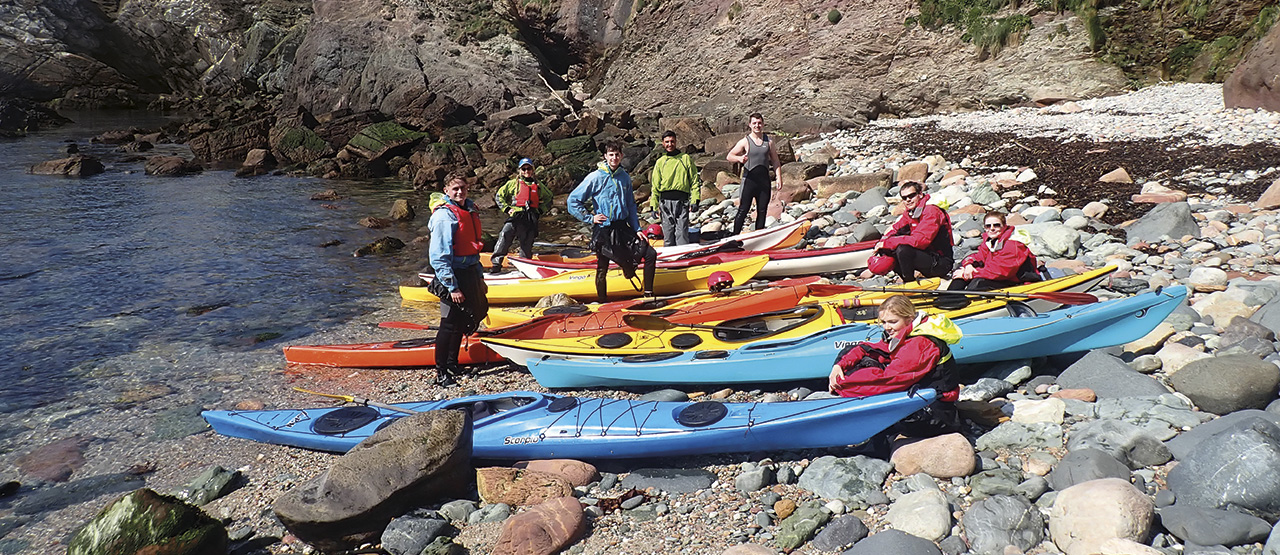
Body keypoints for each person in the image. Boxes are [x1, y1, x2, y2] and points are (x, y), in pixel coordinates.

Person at [828, 295, 962, 437]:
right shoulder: (908, 331)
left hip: (934, 414)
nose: (887, 327)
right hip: (922, 398)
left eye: (892, 322)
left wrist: (842, 384)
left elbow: (888, 380)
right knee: (860, 356)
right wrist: (839, 366)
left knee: (866, 383)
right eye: (884, 322)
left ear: (909, 319)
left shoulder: (920, 344)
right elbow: (869, 348)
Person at [568, 139, 657, 302]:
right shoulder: (595, 177)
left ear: (621, 156)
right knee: (602, 267)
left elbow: (631, 205)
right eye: (611, 155)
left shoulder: (625, 177)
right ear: (605, 156)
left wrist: (637, 228)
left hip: (623, 227)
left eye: (617, 155)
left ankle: (649, 295)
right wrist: (589, 218)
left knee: (650, 253)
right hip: (604, 229)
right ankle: (602, 301)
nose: (614, 158)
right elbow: (572, 201)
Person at [428, 175, 489, 387]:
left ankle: (453, 364)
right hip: (452, 274)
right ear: (446, 190)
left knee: (464, 320)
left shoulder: (469, 210)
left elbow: (474, 253)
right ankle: (441, 372)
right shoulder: (445, 217)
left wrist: (479, 279)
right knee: (449, 324)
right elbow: (438, 256)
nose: (459, 192)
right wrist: (451, 286)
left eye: (463, 188)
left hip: (469, 271)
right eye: (455, 189)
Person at [868, 180, 955, 282]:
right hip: (927, 256)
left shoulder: (931, 211)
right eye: (904, 198)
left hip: (941, 262)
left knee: (902, 249)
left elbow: (920, 241)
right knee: (887, 248)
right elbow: (895, 228)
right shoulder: (911, 213)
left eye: (911, 196)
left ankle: (909, 282)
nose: (908, 200)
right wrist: (882, 243)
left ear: (920, 195)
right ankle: (907, 278)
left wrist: (887, 243)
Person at [948, 211, 1040, 291]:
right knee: (963, 267)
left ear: (1004, 226)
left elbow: (999, 272)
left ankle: (963, 304)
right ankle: (948, 298)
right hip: (998, 275)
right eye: (988, 226)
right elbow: (978, 257)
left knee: (978, 282)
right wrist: (968, 265)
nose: (992, 228)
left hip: (1017, 281)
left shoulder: (1013, 245)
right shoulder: (989, 241)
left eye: (996, 225)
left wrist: (967, 274)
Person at [490, 158, 553, 273]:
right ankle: (496, 264)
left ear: (533, 170)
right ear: (520, 170)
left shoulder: (538, 185)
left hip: (530, 217)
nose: (526, 171)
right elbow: (499, 196)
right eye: (524, 169)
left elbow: (549, 198)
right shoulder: (513, 184)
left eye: (528, 168)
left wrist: (541, 210)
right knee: (505, 235)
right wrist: (507, 208)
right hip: (516, 215)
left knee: (526, 243)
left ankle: (525, 267)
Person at [726, 113, 783, 234]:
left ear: (763, 124)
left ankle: (759, 236)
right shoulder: (745, 141)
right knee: (743, 209)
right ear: (750, 125)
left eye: (759, 123)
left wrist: (779, 178)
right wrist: (740, 159)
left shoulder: (769, 142)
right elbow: (729, 156)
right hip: (749, 181)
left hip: (764, 182)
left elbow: (775, 160)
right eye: (754, 123)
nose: (757, 125)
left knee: (762, 210)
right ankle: (734, 236)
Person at [650, 130, 700, 246]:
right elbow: (655, 186)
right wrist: (653, 206)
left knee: (682, 233)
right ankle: (669, 260)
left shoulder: (685, 159)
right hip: (665, 204)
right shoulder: (660, 162)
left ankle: (683, 257)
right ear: (663, 143)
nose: (670, 144)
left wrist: (695, 200)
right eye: (667, 142)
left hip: (682, 202)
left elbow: (694, 181)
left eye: (672, 141)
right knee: (668, 234)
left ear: (676, 142)